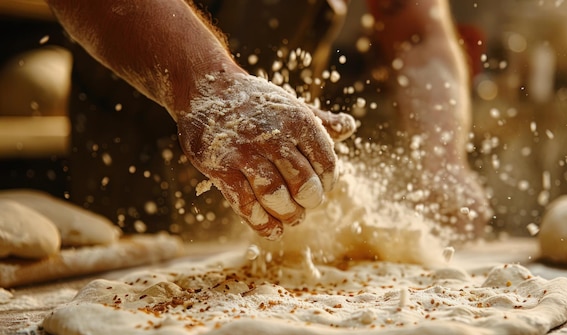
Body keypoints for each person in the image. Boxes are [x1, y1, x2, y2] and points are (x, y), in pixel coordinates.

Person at [45, 0, 490, 242]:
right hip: (131, 159)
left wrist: (444, 159)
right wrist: (207, 87)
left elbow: (416, 30)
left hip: (283, 160)